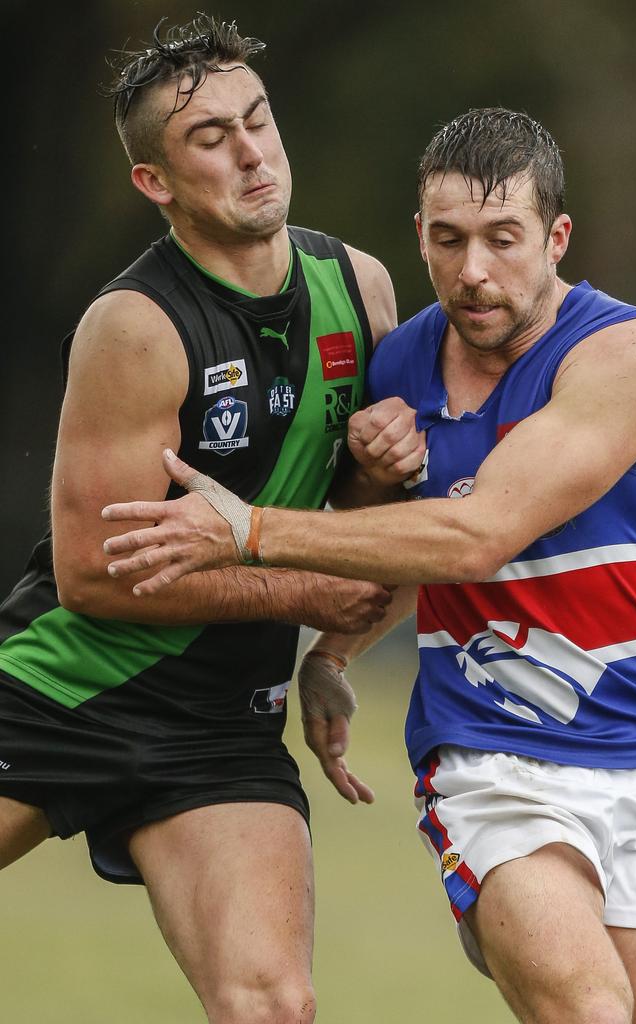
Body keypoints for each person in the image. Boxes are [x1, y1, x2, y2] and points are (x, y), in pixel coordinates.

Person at [103, 108, 636, 1024]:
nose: (473, 271)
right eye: (448, 240)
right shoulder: (401, 363)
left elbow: (474, 537)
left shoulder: (628, 358)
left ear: (556, 237)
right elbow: (386, 541)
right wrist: (333, 645)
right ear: (420, 240)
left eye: (502, 239)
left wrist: (244, 529)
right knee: (589, 1008)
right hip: (491, 755)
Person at [0, 14, 425, 1024]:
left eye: (258, 119)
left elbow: (377, 529)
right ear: (156, 181)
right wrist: (312, 595)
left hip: (218, 724)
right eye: (210, 138)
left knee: (272, 1003)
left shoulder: (359, 286)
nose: (251, 151)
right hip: (64, 687)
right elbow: (95, 571)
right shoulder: (135, 327)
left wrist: (380, 472)